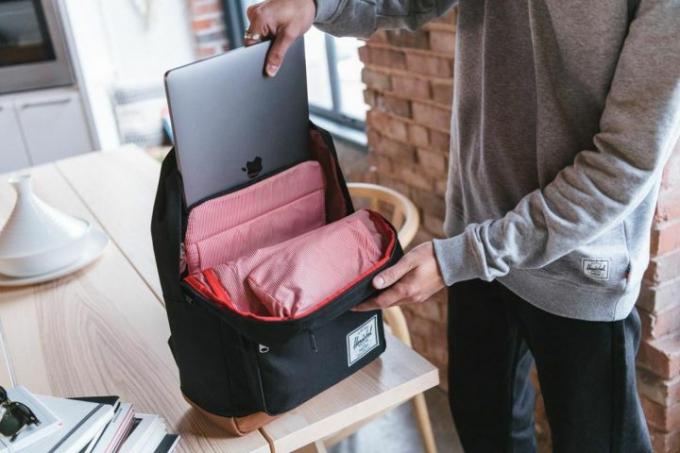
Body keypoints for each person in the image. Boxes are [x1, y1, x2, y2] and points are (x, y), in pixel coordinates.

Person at [244, 0, 680, 451]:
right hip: (477, 245)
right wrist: (317, 6)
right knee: (483, 433)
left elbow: (622, 165)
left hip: (576, 264)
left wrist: (469, 254)